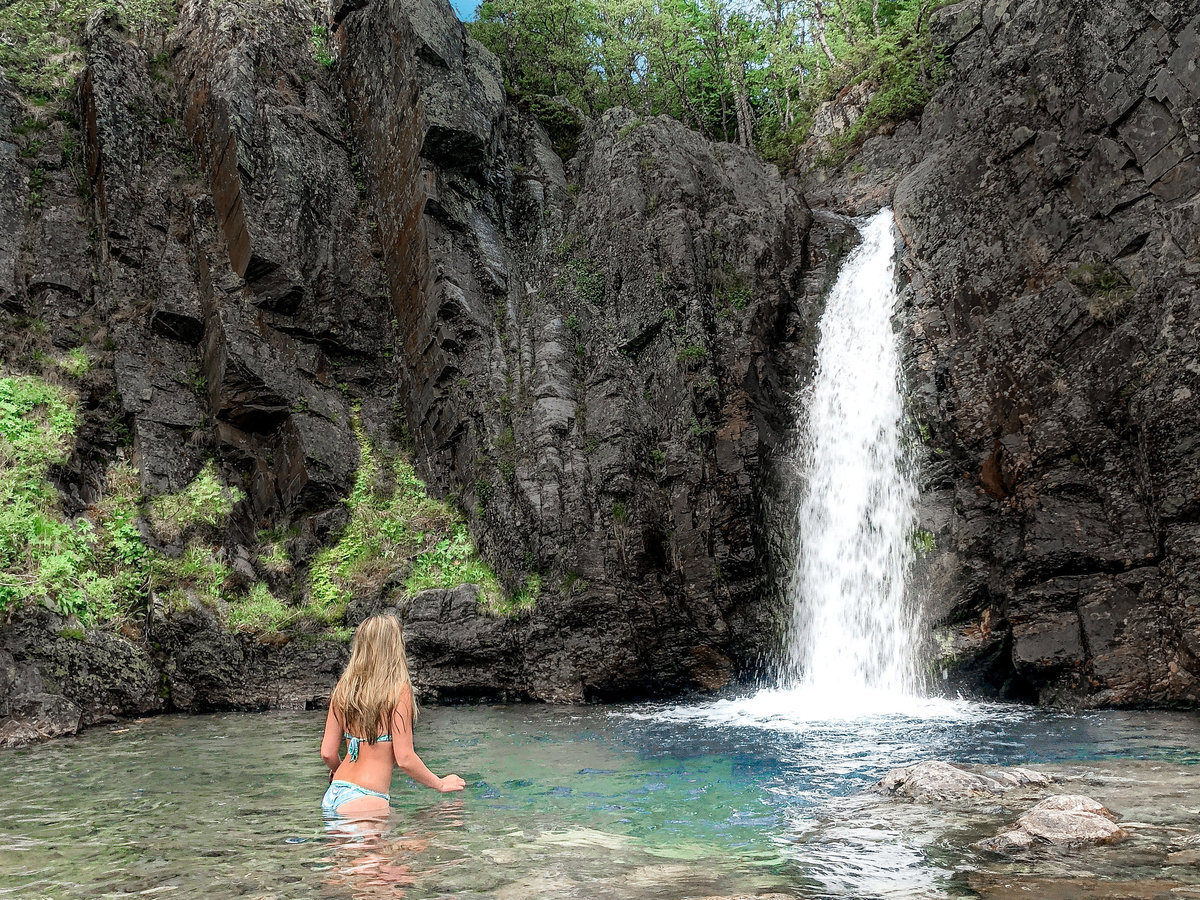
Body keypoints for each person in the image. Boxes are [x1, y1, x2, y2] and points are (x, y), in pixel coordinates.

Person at [321, 614, 466, 816]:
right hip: (366, 799)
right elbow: (405, 758)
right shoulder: (398, 692)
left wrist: (339, 770)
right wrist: (440, 784)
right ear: (394, 647)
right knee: (422, 838)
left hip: (335, 793)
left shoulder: (344, 690)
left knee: (407, 839)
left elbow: (327, 752)